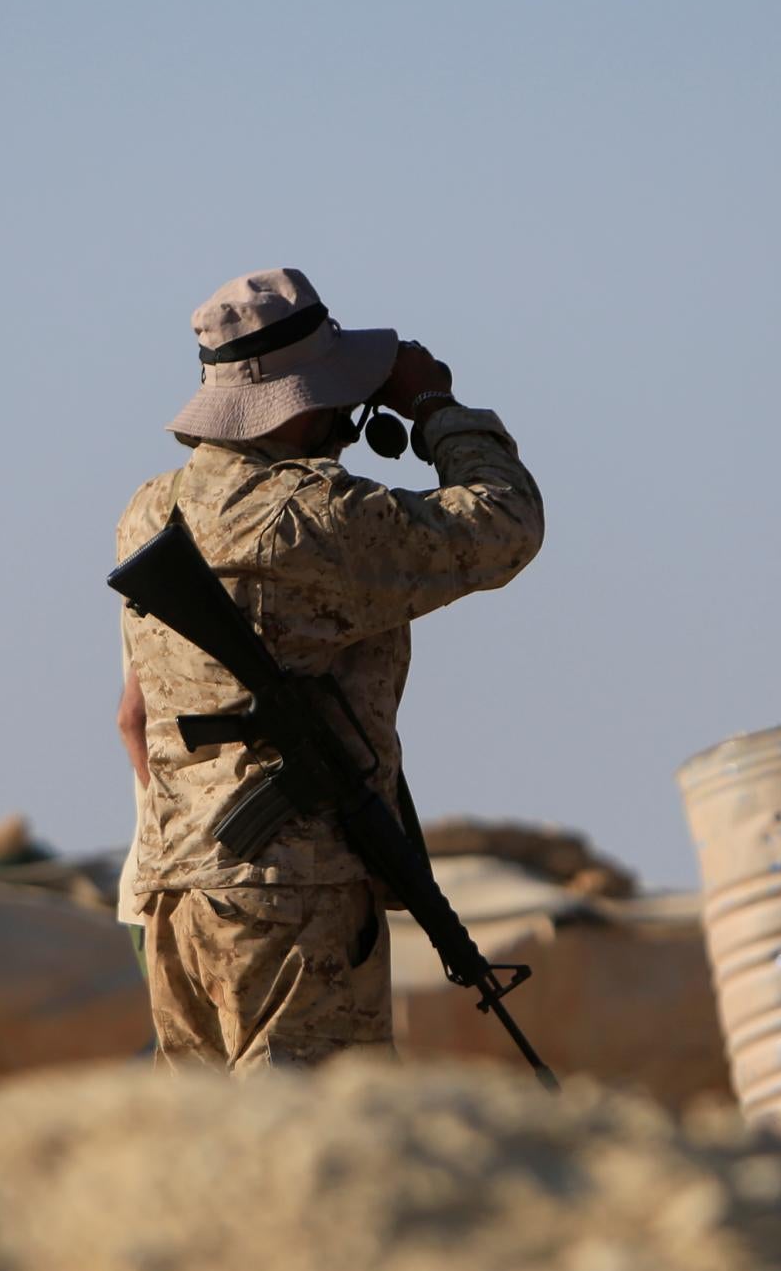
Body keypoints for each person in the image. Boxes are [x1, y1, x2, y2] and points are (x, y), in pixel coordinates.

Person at [114, 268, 544, 1072]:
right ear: (305, 396)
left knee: (214, 1167)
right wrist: (434, 409)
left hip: (177, 895)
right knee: (309, 1151)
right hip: (292, 896)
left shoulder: (150, 511)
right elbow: (505, 521)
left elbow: (133, 715)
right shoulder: (312, 517)